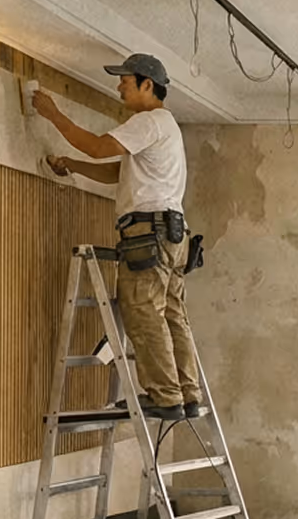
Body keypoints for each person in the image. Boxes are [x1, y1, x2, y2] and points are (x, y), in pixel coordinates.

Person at [33, 53, 199, 421]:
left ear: (147, 85)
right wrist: (72, 166)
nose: (119, 86)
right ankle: (187, 394)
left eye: (126, 80)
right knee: (171, 314)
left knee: (144, 313)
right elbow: (117, 174)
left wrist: (53, 113)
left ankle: (165, 396)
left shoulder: (149, 121)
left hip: (148, 232)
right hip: (172, 234)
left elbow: (96, 145)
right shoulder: (164, 128)